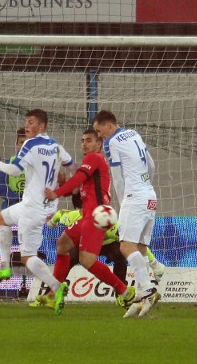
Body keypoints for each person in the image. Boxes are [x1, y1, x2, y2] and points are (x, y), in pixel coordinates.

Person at [0, 109, 77, 315]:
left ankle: (56, 287)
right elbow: (73, 167)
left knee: (28, 256)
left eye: (31, 122)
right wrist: (64, 185)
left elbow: (15, 170)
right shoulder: (55, 146)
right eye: (26, 122)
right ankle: (4, 265)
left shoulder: (30, 144)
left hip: (33, 209)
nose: (27, 126)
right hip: (42, 206)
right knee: (2, 218)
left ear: (41, 126)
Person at [44, 129, 135, 311]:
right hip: (87, 216)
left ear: (99, 143)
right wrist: (61, 187)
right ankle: (56, 292)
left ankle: (125, 292)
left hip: (96, 217)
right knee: (62, 245)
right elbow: (78, 186)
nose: (84, 144)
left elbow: (78, 178)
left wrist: (57, 192)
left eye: (89, 140)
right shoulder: (91, 164)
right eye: (82, 140)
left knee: (87, 261)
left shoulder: (94, 158)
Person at [93, 109, 160, 318]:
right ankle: (146, 293)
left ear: (109, 125)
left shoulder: (111, 142)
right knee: (139, 247)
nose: (99, 135)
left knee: (124, 245)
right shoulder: (134, 134)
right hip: (150, 195)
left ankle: (146, 287)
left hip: (134, 197)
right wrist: (146, 185)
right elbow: (151, 164)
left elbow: (118, 177)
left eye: (99, 130)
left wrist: (123, 202)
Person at [0, 127, 27, 210]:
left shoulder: (38, 165)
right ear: (16, 145)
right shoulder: (8, 163)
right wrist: (17, 198)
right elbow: (0, 186)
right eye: (21, 142)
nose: (24, 146)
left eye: (27, 143)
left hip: (32, 208)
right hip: (11, 207)